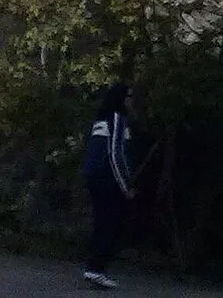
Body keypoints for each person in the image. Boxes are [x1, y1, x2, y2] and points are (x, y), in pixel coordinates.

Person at [80, 81, 136, 289]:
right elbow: (115, 154)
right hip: (107, 179)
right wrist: (125, 185)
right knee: (111, 223)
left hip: (94, 177)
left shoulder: (101, 120)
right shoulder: (116, 119)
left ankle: (93, 267)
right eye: (129, 97)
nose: (132, 101)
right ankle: (96, 268)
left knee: (102, 222)